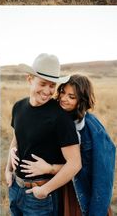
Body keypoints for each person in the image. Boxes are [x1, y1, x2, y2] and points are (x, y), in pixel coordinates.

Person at [15, 74, 116, 216]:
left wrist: (50, 168)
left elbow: (102, 176)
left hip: (80, 192)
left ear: (82, 100)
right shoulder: (57, 117)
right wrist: (15, 150)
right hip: (59, 187)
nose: (63, 99)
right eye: (62, 92)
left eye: (71, 97)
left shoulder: (93, 129)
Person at [5, 53, 82, 216]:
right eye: (43, 84)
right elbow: (16, 139)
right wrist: (7, 170)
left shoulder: (60, 117)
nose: (48, 91)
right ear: (30, 79)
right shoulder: (18, 107)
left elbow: (75, 163)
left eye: (52, 85)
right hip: (15, 188)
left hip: (40, 196)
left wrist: (44, 190)